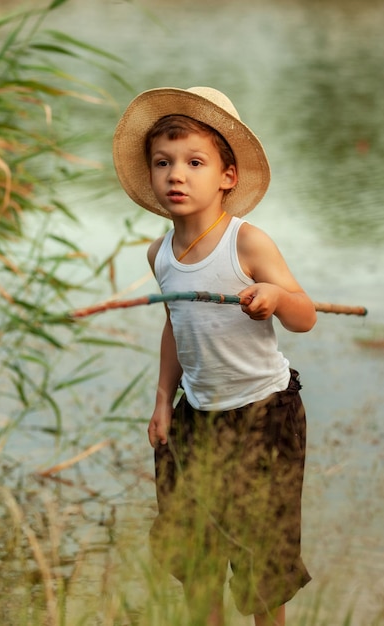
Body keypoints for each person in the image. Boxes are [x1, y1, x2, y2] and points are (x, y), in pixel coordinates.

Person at [113, 86, 317, 626]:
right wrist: (162, 401)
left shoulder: (246, 243)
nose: (176, 174)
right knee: (196, 559)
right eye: (163, 163)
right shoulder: (160, 254)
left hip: (263, 415)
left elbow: (305, 314)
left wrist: (275, 298)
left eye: (194, 162)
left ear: (227, 175)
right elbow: (175, 326)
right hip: (195, 419)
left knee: (260, 570)